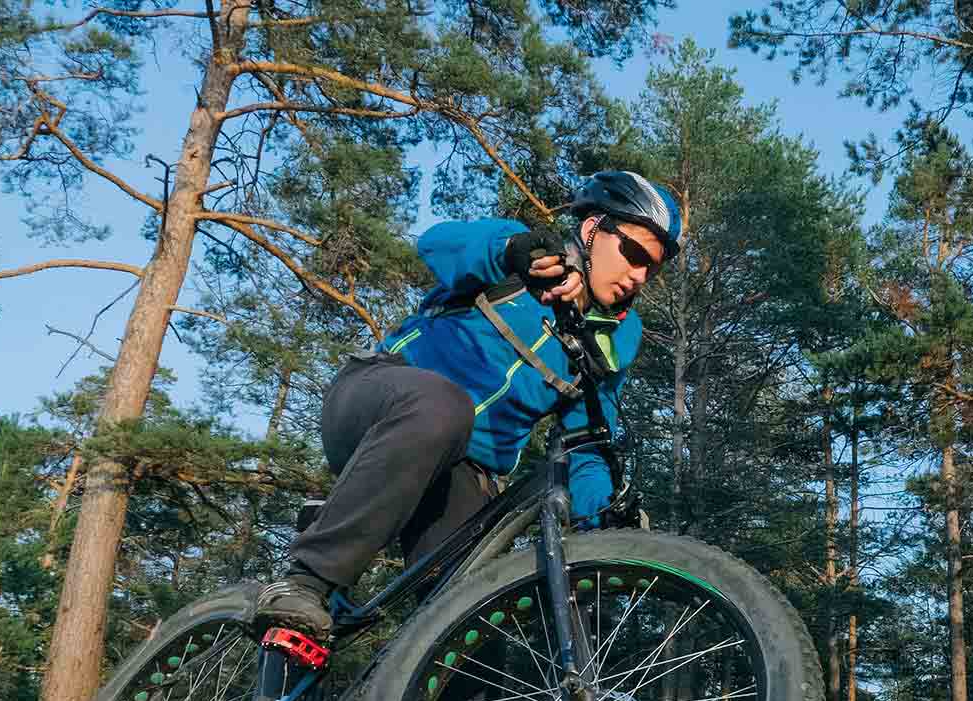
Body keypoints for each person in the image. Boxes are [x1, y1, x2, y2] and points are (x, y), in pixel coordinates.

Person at [254, 170, 683, 638]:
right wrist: (512, 251)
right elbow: (436, 244)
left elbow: (584, 444)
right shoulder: (522, 254)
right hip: (379, 399)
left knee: (470, 633)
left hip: (464, 473)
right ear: (591, 229)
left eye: (652, 268)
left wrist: (606, 516)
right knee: (443, 407)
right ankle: (305, 581)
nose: (639, 276)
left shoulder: (617, 338)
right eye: (634, 254)